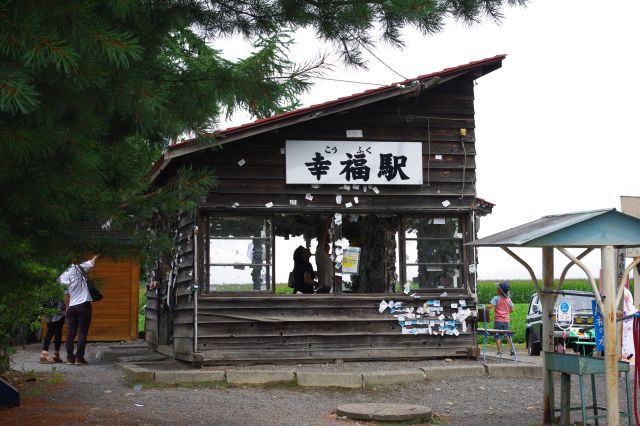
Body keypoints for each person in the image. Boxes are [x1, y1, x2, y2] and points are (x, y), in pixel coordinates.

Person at [57, 254, 99, 365]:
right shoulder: (79, 267)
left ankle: (70, 358)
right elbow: (92, 261)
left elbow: (65, 294)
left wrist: (67, 307)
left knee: (70, 333)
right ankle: (79, 358)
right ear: (73, 260)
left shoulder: (62, 277)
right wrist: (98, 253)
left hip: (71, 307)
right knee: (82, 333)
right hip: (84, 305)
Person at [486, 281, 515, 356]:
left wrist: (485, 307)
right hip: (506, 320)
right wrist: (505, 311)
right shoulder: (508, 299)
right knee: (508, 335)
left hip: (498, 321)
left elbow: (490, 306)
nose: (496, 289)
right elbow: (512, 309)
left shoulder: (496, 298)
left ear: (500, 291)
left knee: (497, 335)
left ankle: (499, 351)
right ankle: (511, 350)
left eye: (497, 289)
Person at [39, 297, 65, 364]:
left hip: (48, 311)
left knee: (49, 332)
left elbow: (42, 301)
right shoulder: (59, 287)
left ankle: (44, 353)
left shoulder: (45, 289)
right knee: (58, 332)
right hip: (58, 311)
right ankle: (55, 355)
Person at [315, 217, 333, 293]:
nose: (328, 246)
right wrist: (327, 221)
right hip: (323, 288)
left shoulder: (327, 257)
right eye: (326, 244)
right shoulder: (320, 253)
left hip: (328, 288)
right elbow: (323, 235)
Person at [621, 286, 637, 361]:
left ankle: (626, 353)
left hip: (626, 317)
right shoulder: (624, 291)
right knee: (623, 337)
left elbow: (629, 306)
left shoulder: (625, 291)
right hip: (624, 317)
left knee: (625, 337)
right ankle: (626, 353)